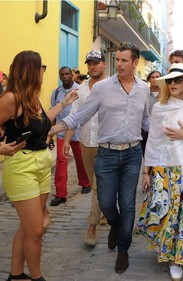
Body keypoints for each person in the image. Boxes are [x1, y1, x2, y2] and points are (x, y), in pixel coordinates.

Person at [49, 42, 150, 274]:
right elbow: (81, 116)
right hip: (106, 153)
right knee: (105, 202)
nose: (121, 64)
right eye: (119, 59)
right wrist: (54, 129)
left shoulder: (143, 89)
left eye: (125, 60)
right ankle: (115, 224)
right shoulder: (102, 88)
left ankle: (123, 249)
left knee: (127, 204)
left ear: (135, 63)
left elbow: (146, 121)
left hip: (132, 154)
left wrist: (164, 134)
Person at [0, 50, 78, 281]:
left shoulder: (32, 97)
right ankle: (36, 278)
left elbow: (43, 123)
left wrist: (64, 103)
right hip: (21, 166)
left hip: (42, 165)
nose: (44, 72)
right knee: (35, 230)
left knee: (28, 227)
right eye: (41, 68)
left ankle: (16, 275)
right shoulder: (11, 98)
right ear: (30, 70)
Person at [134, 63, 183, 281]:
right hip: (163, 167)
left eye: (178, 79)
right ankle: (167, 250)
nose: (173, 83)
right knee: (164, 213)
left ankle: (177, 260)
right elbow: (153, 141)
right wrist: (146, 172)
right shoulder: (159, 107)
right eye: (170, 80)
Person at [63, 50, 107, 247]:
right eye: (89, 63)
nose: (92, 67)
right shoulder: (80, 90)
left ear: (104, 64)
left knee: (97, 188)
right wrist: (66, 141)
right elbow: (75, 116)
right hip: (86, 144)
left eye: (96, 63)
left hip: (106, 146)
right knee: (95, 184)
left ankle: (91, 227)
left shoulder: (111, 87)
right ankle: (105, 210)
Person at [50, 67, 91, 206]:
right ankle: (60, 194)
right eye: (62, 74)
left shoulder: (81, 90)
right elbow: (53, 114)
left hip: (78, 132)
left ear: (72, 75)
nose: (65, 76)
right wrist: (51, 134)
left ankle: (85, 183)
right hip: (62, 132)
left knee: (81, 159)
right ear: (59, 76)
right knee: (61, 161)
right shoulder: (56, 93)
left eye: (67, 74)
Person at [141, 70, 161, 156]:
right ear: (148, 79)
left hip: (160, 132)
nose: (155, 79)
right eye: (152, 77)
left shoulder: (167, 94)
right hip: (145, 132)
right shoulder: (143, 93)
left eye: (157, 77)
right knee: (146, 157)